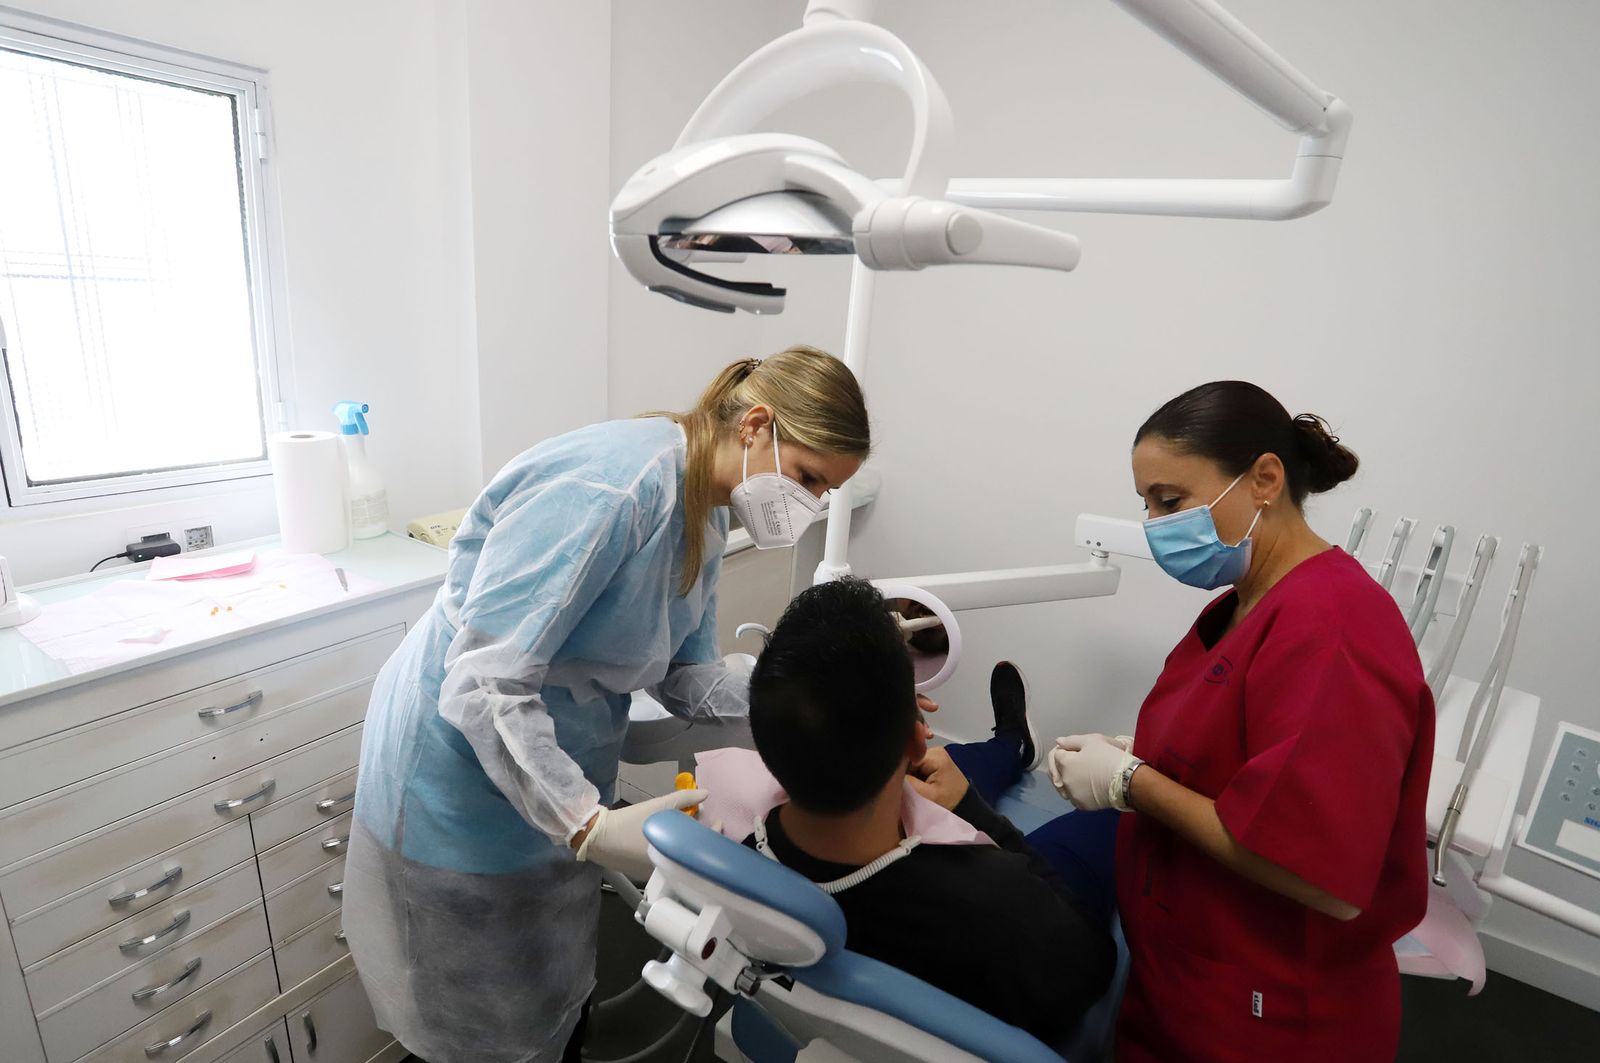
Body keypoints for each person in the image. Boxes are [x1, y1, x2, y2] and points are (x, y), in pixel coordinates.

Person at [342, 346, 871, 1063]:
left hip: (554, 766)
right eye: (808, 477)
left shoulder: (706, 516)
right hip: (456, 782)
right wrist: (584, 821)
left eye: (824, 491)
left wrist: (794, 698)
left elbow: (684, 671)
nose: (808, 503)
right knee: (474, 1026)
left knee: (548, 998)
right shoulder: (612, 491)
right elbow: (485, 681)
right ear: (755, 424)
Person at [1047, 380, 1435, 1062]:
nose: (1154, 524)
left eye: (1170, 500)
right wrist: (1148, 753)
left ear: (1264, 478)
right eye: (1145, 503)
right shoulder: (1249, 601)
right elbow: (1249, 747)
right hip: (1191, 976)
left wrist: (1131, 781)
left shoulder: (1334, 626)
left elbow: (1324, 877)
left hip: (1272, 1013)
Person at [739, 578, 1116, 1048]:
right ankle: (1009, 749)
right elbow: (1090, 968)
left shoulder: (736, 850)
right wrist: (975, 812)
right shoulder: (997, 899)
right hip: (1020, 941)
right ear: (918, 737)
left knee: (951, 771)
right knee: (1110, 821)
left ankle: (1011, 746)